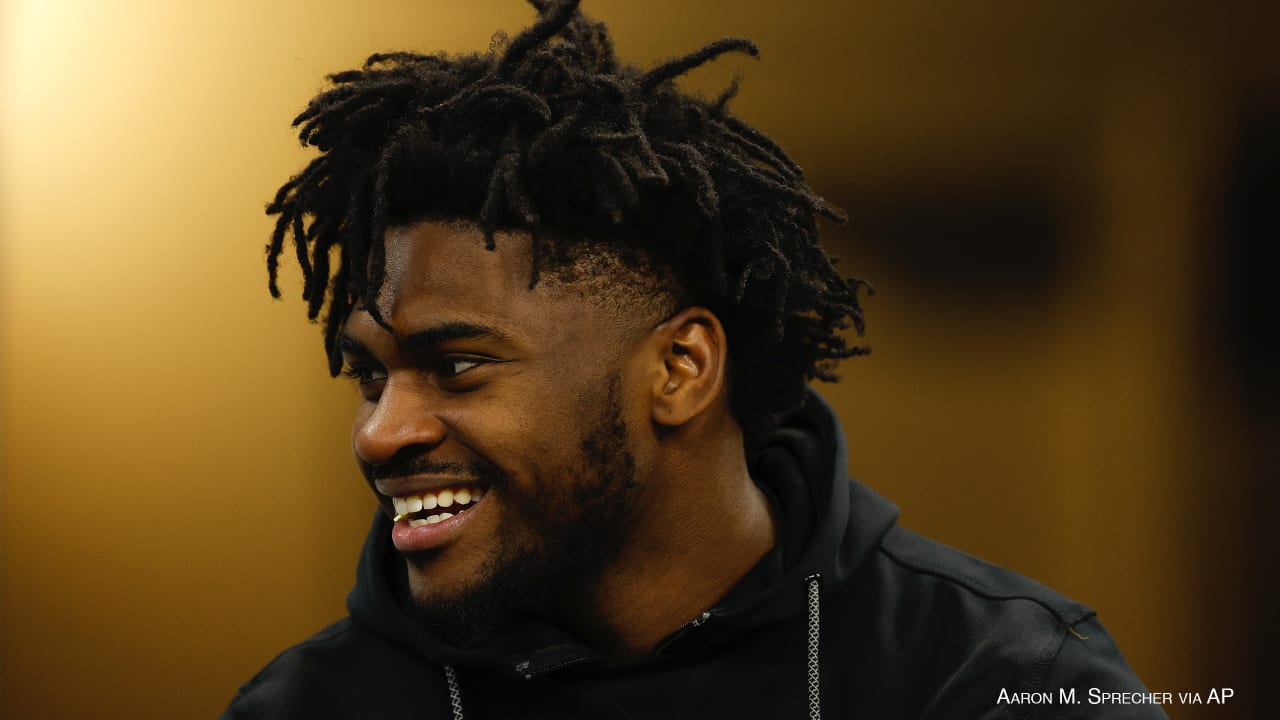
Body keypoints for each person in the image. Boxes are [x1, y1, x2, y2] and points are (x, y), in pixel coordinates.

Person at [224, 2, 1166, 717]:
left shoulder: (1002, 679)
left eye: (458, 366)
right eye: (371, 376)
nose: (381, 433)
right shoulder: (312, 706)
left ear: (679, 369)